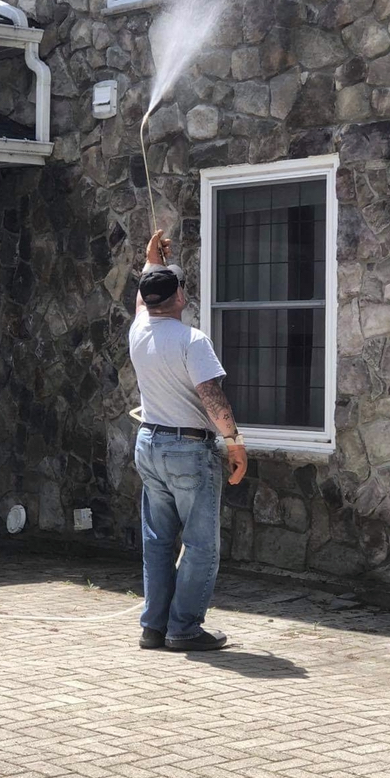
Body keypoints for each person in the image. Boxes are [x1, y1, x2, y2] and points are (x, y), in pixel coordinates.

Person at [129, 229, 248, 652]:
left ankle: (153, 627)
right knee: (200, 545)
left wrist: (150, 262)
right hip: (188, 450)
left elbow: (144, 297)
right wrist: (234, 442)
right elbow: (212, 397)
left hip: (149, 445)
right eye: (181, 286)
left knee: (158, 542)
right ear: (178, 297)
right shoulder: (192, 340)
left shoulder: (139, 330)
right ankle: (184, 628)